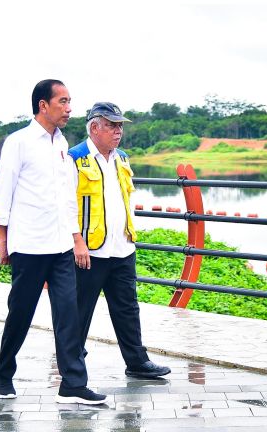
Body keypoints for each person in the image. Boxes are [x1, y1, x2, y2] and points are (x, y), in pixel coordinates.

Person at [0, 79, 106, 405]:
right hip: (28, 246)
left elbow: (67, 198)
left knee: (68, 313)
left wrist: (76, 240)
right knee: (20, 313)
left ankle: (72, 384)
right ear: (43, 105)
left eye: (70, 102)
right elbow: (3, 192)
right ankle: (3, 372)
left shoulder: (61, 144)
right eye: (63, 102)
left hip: (60, 247)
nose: (69, 109)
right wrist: (3, 240)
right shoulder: (19, 142)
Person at [67, 102, 171, 379]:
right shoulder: (74, 158)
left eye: (120, 125)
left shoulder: (121, 157)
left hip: (122, 247)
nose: (118, 131)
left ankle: (137, 362)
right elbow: (64, 205)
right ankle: (72, 361)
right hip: (89, 249)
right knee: (80, 309)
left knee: (127, 307)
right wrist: (76, 241)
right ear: (94, 127)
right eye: (112, 125)